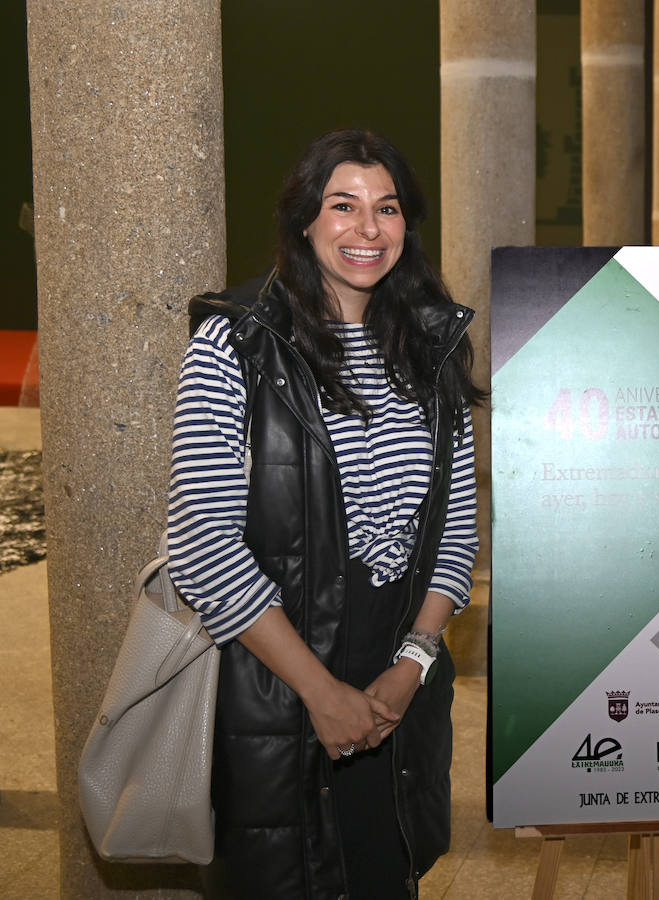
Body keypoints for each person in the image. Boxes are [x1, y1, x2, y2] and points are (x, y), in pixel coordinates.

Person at [168, 129, 484, 899]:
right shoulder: (233, 345)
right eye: (343, 206)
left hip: (396, 690)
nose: (367, 230)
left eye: (388, 209)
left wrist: (412, 665)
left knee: (385, 874)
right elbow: (201, 546)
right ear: (304, 220)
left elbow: (456, 533)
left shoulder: (433, 348)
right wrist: (320, 692)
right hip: (277, 685)